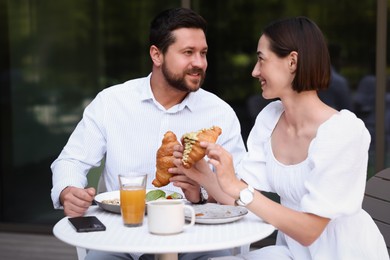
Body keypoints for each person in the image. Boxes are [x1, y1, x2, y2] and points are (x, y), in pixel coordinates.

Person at [172, 17, 389, 259]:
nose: (255, 71)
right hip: (292, 252)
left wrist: (238, 187)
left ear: (292, 62)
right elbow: (246, 204)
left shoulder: (343, 132)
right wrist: (204, 175)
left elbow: (309, 231)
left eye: (261, 59)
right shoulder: (271, 118)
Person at [50, 7, 246, 260]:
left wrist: (201, 194)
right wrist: (69, 190)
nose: (199, 63)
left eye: (203, 53)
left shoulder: (220, 114)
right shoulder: (112, 102)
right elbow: (71, 160)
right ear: (157, 54)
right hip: (122, 240)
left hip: (198, 239)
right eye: (188, 52)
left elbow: (240, 188)